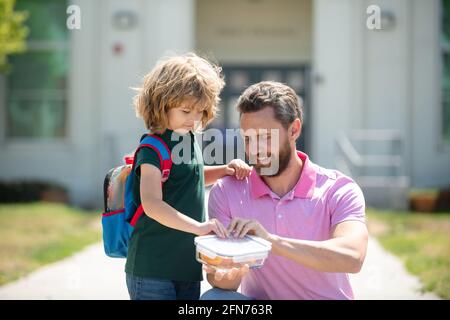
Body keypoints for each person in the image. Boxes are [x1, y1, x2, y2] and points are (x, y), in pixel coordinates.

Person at [202, 81, 368, 300]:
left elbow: (353, 256)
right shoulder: (226, 191)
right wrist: (226, 272)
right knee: (216, 298)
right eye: (249, 139)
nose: (255, 149)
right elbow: (224, 282)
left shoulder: (337, 189)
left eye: (265, 137)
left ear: (294, 129)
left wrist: (269, 241)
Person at [125, 53, 252, 300]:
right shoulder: (151, 148)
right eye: (185, 111)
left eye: (200, 111)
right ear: (161, 104)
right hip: (153, 269)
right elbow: (152, 204)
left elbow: (189, 178)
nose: (194, 119)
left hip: (187, 268)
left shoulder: (188, 137)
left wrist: (225, 169)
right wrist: (199, 227)